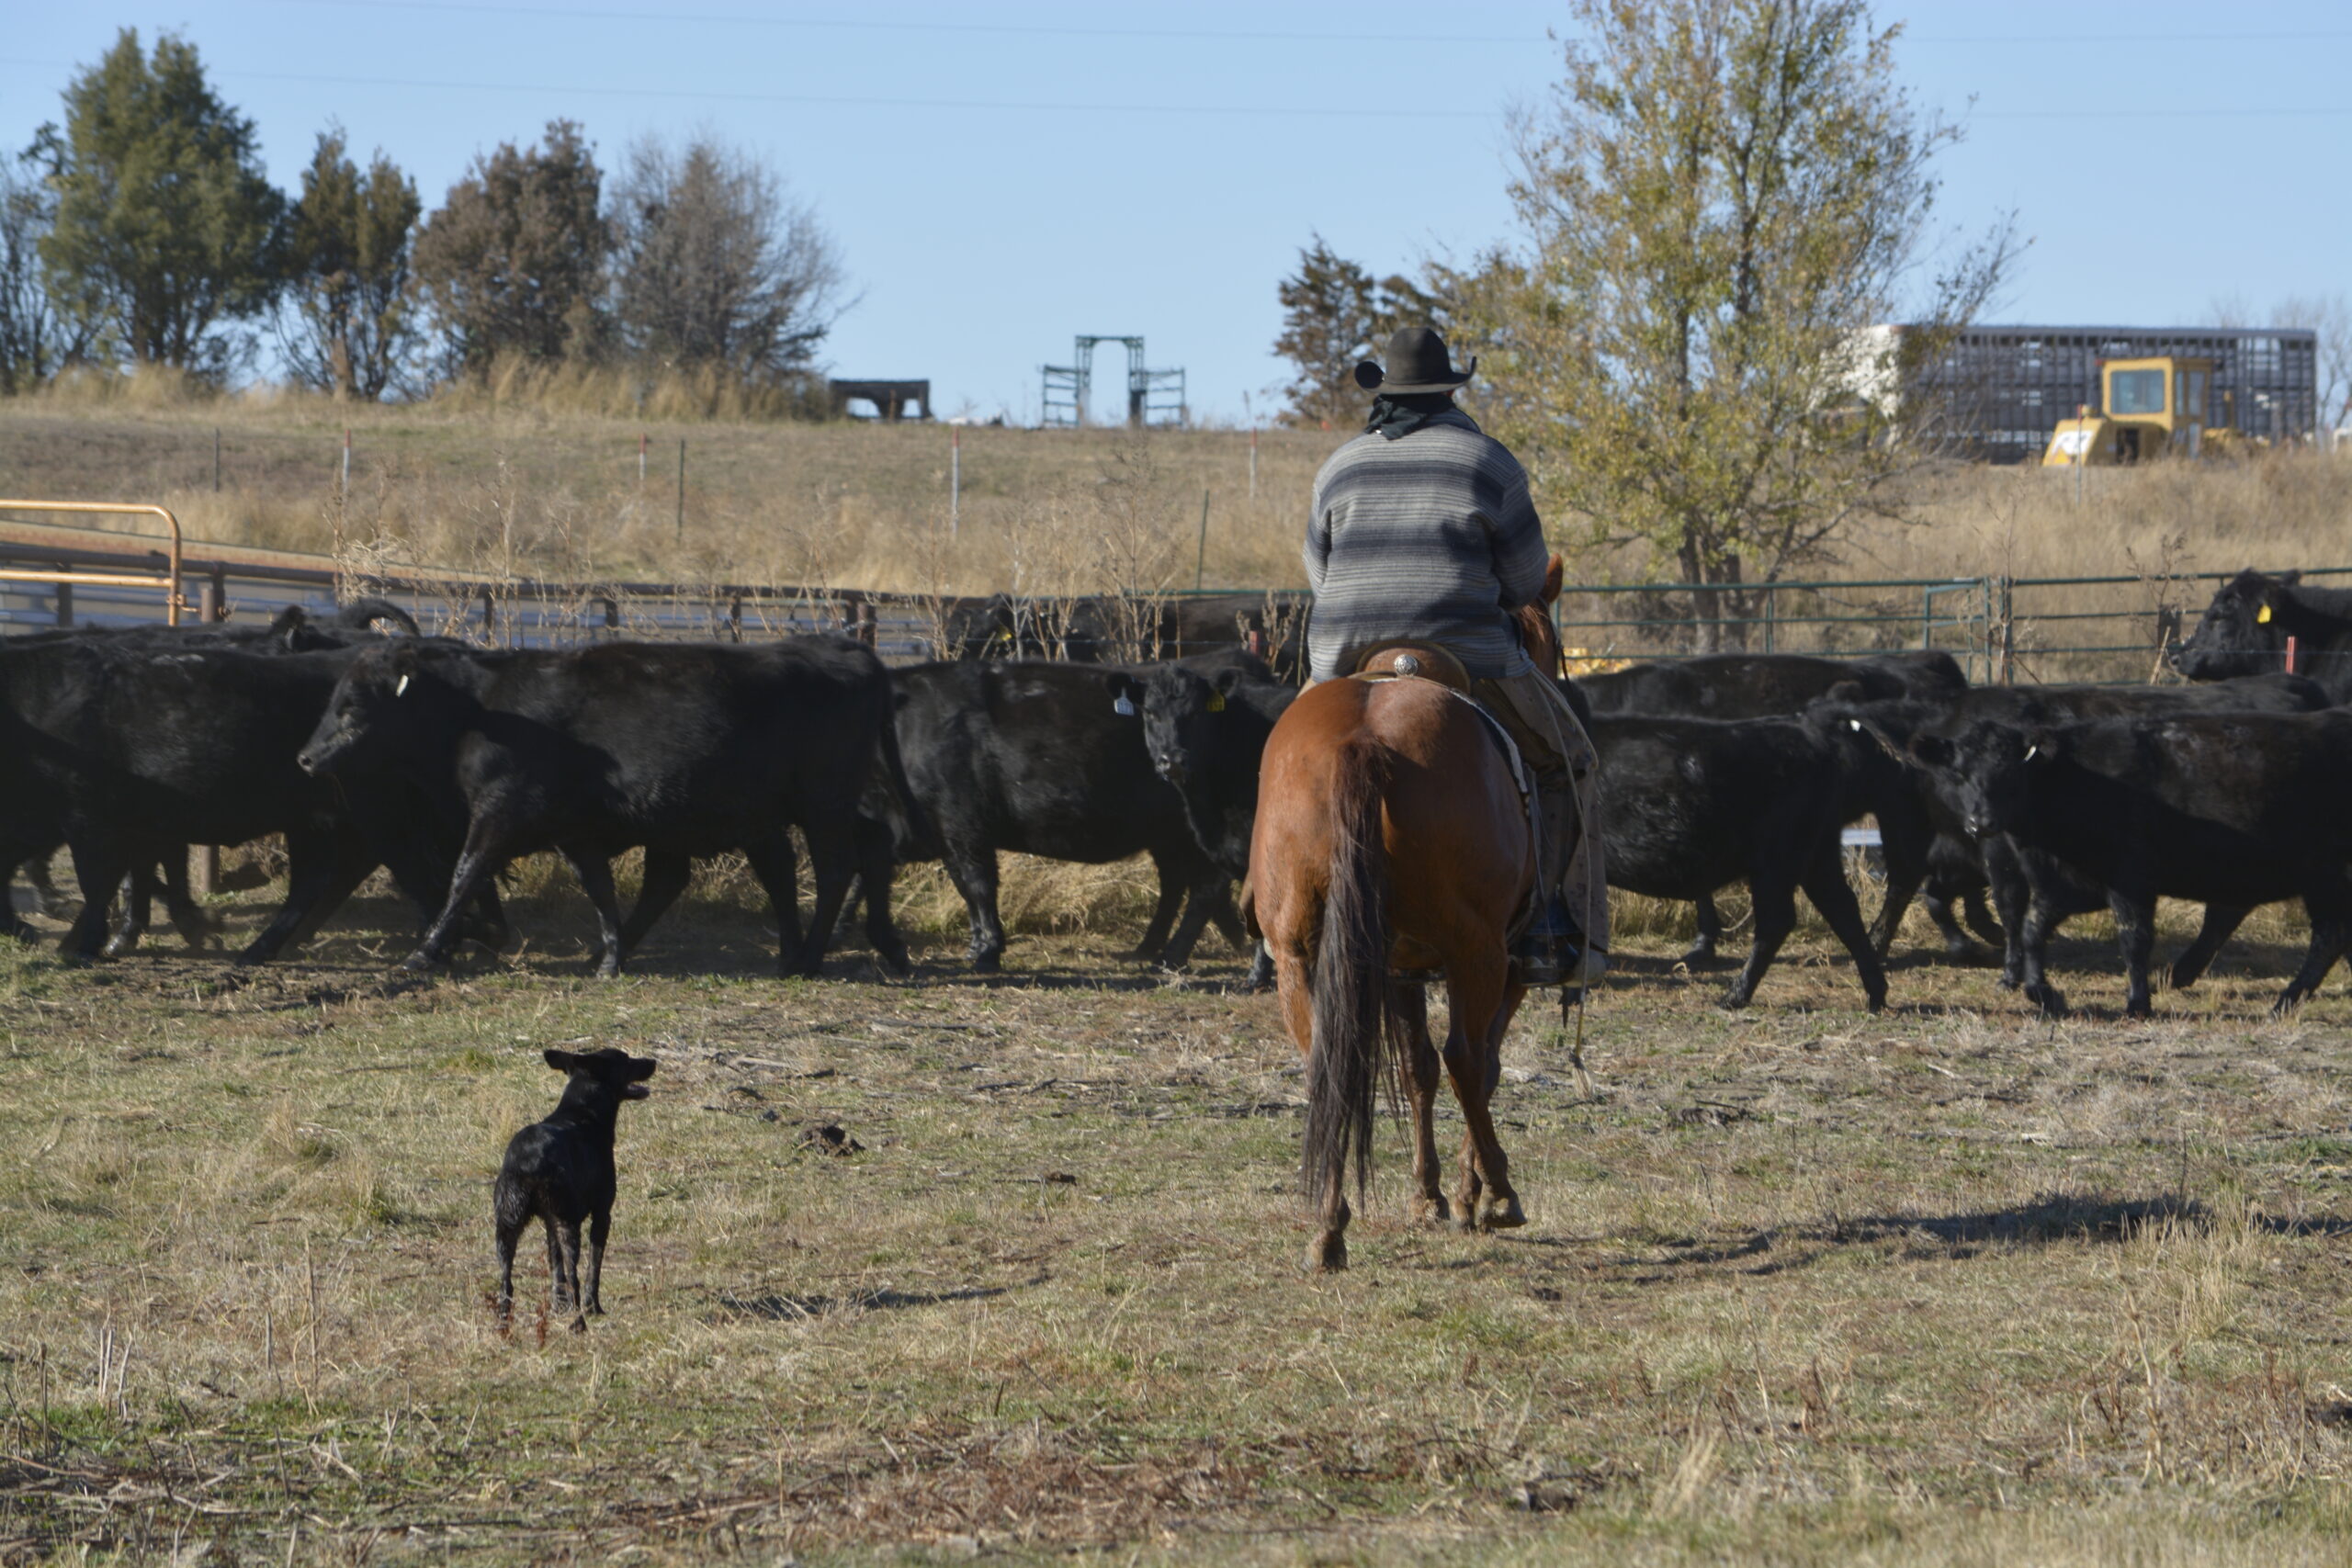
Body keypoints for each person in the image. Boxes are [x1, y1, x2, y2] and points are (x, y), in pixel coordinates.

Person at [1302, 325, 1607, 986]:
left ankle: (1270, 902)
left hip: (1346, 654)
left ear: (1385, 391)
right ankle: (1552, 920)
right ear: (1448, 390)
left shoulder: (1338, 466)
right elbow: (1528, 582)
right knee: (1569, 761)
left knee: (1280, 752)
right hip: (1469, 654)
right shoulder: (1488, 463)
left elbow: (1319, 576)